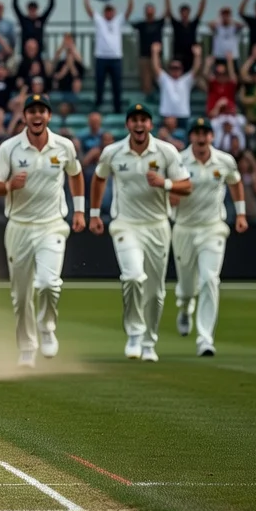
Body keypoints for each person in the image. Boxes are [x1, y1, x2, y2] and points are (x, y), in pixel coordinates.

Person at [88, 103, 192, 362]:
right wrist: (93, 214)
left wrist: (164, 183)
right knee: (133, 277)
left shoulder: (166, 152)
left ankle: (149, 342)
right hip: (125, 224)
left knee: (156, 291)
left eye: (143, 120)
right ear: (128, 125)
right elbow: (99, 178)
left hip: (157, 225)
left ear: (150, 125)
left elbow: (187, 186)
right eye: (134, 120)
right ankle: (134, 334)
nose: (138, 125)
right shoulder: (113, 152)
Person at [0, 94, 85, 366]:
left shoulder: (63, 146)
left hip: (52, 224)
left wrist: (79, 210)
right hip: (19, 225)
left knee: (47, 283)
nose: (37, 116)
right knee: (20, 295)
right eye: (32, 112)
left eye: (42, 111)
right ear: (25, 116)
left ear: (49, 116)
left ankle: (47, 326)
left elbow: (75, 174)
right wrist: (8, 186)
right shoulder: (10, 148)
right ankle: (26, 348)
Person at [170, 117, 248, 357]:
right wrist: (172, 196)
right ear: (191, 136)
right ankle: (184, 308)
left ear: (211, 137)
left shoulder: (224, 161)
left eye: (205, 133)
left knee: (209, 279)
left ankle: (205, 339)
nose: (201, 138)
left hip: (213, 228)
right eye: (197, 133)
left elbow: (235, 183)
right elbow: (169, 194)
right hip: (183, 227)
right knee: (186, 287)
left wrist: (241, 214)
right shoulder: (179, 161)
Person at [84, 0, 132, 115]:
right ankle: (97, 105)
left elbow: (129, 11)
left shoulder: (118, 21)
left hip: (116, 58)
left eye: (111, 11)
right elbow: (89, 11)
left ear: (114, 12)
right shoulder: (100, 21)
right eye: (107, 11)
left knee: (117, 86)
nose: (109, 14)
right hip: (101, 57)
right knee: (99, 84)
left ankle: (117, 108)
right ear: (104, 12)